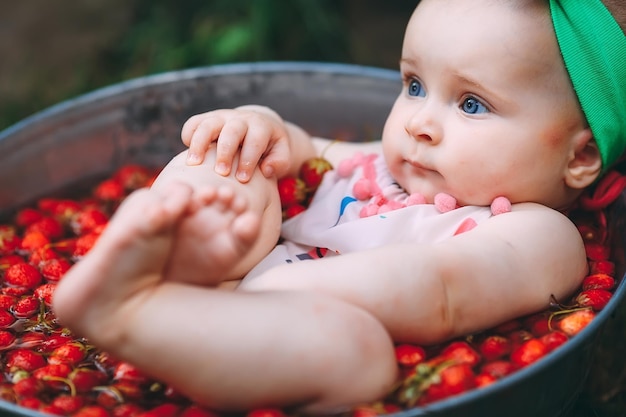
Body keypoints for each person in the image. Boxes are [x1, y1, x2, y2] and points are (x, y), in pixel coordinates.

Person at [52, 0, 626, 412]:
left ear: (580, 158)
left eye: (472, 104)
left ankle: (129, 315)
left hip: (282, 325)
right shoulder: (391, 159)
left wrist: (284, 293)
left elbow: (440, 287)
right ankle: (165, 248)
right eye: (414, 85)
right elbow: (310, 150)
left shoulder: (543, 235)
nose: (420, 123)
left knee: (361, 356)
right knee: (239, 167)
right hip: (225, 265)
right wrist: (261, 128)